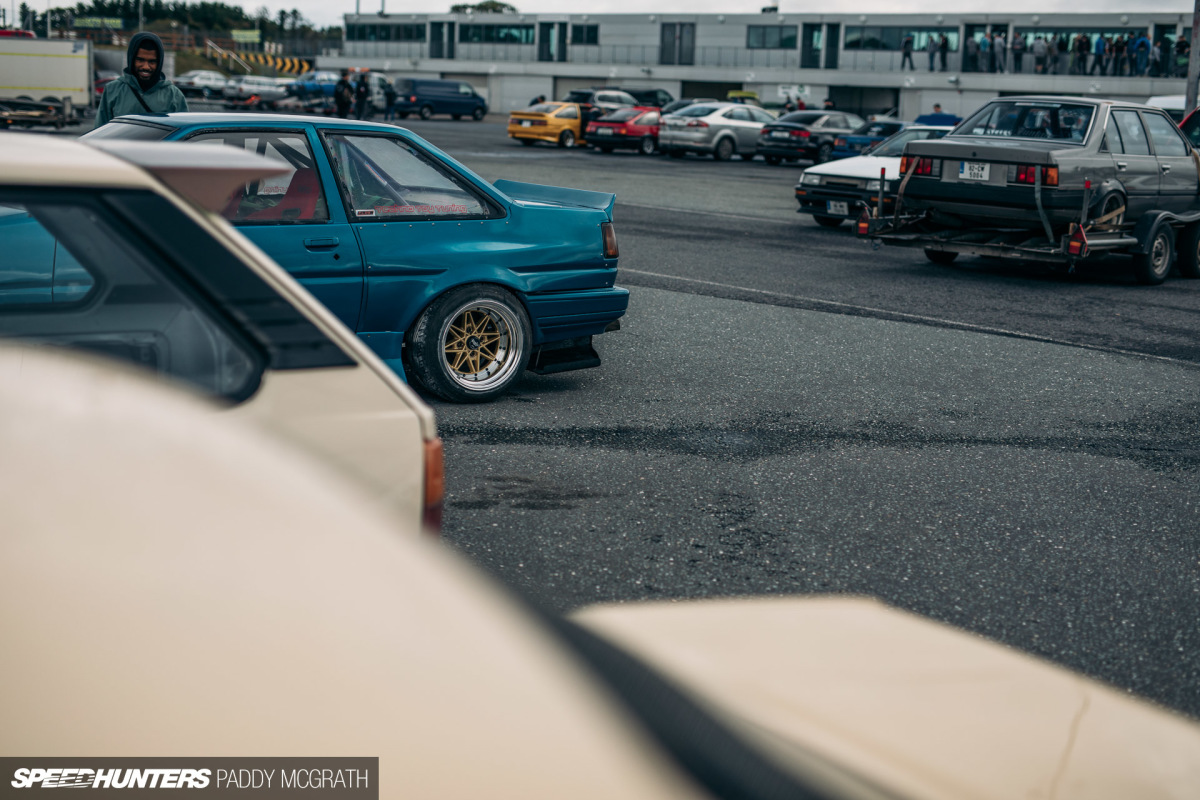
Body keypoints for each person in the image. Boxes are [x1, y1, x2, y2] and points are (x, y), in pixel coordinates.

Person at [93, 32, 187, 129]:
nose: (146, 67)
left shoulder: (174, 96)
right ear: (131, 59)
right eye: (140, 60)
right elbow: (99, 133)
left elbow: (183, 137)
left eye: (152, 62)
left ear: (159, 63)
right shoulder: (112, 90)